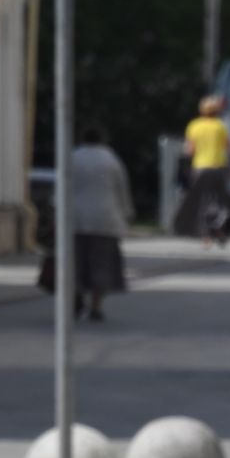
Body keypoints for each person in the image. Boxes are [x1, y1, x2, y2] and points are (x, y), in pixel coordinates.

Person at [71, 127, 133, 323]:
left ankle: (76, 295)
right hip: (106, 220)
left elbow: (61, 188)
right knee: (102, 266)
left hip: (76, 220)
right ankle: (96, 307)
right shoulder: (111, 160)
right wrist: (126, 214)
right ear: (102, 140)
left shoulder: (73, 157)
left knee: (75, 263)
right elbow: (122, 190)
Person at [176, 95, 230, 249]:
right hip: (218, 167)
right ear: (215, 110)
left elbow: (190, 150)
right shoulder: (220, 126)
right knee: (219, 201)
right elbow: (229, 147)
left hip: (200, 168)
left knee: (202, 202)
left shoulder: (194, 126)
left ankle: (206, 237)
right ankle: (220, 230)